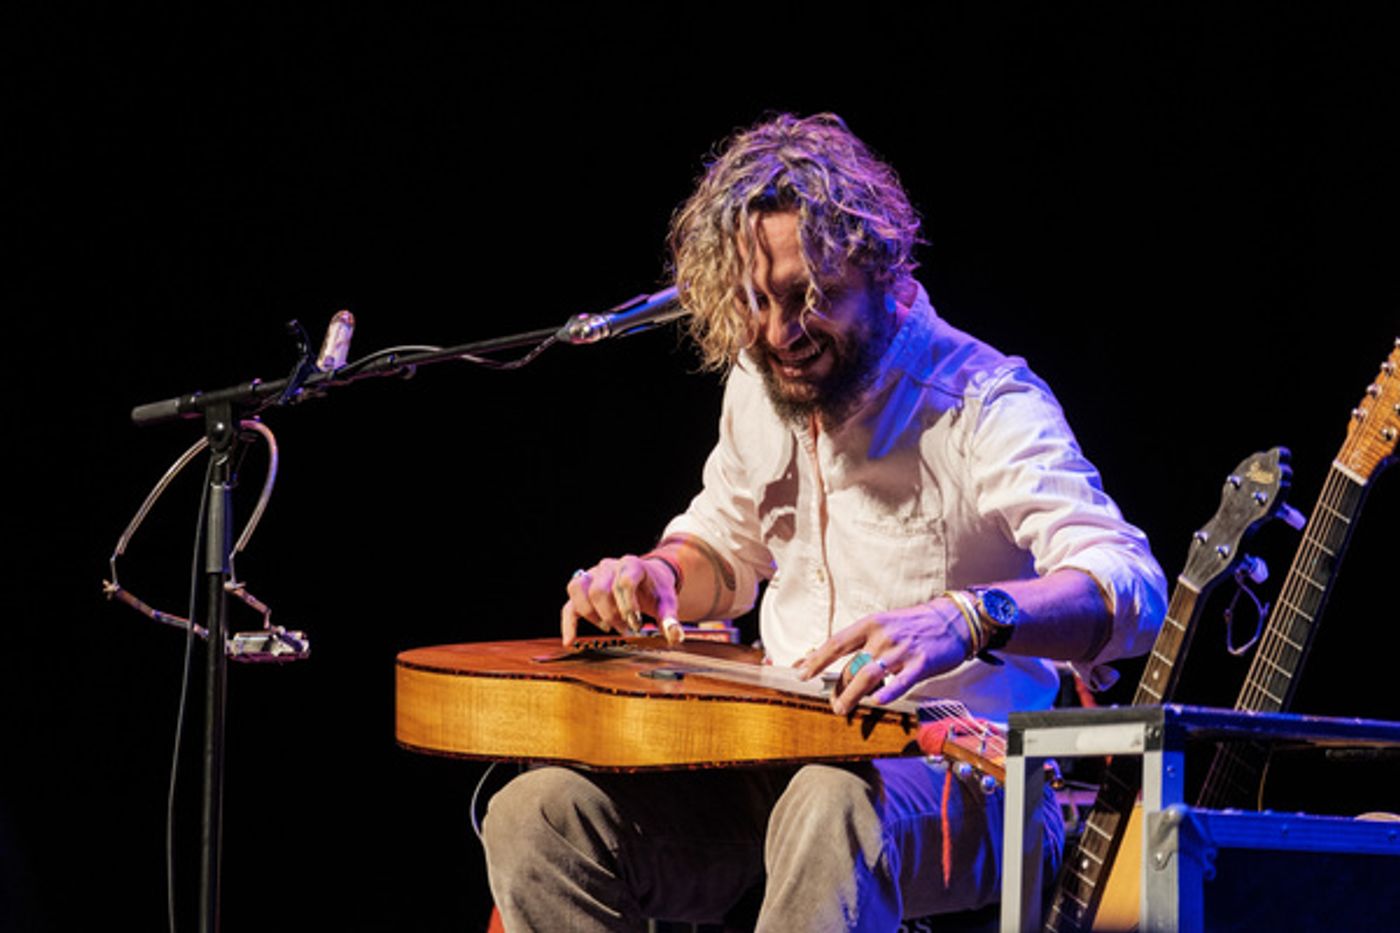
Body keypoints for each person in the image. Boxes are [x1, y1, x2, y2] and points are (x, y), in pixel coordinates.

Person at [481, 112, 1167, 931]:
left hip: (973, 780)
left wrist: (971, 616)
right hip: (773, 752)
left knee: (829, 804)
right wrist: (659, 575)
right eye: (755, 301)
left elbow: (1132, 587)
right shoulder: (760, 380)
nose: (779, 333)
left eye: (811, 297)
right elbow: (725, 545)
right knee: (540, 815)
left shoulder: (987, 404)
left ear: (882, 268)